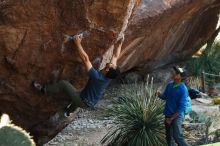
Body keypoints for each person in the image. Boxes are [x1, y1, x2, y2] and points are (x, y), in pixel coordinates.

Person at [32, 34, 124, 117]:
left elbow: (85, 59)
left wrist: (77, 43)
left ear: (107, 69)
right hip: (90, 101)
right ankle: (68, 112)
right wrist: (120, 42)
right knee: (80, 94)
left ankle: (44, 89)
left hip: (84, 102)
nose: (113, 63)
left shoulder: (97, 77)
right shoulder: (110, 74)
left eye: (113, 65)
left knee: (64, 84)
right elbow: (115, 56)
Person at [156, 66, 189, 146]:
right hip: (168, 114)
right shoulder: (170, 85)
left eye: (177, 73)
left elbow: (182, 107)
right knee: (169, 137)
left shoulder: (183, 89)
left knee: (177, 136)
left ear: (181, 77)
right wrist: (159, 94)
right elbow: (165, 96)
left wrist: (171, 118)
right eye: (175, 72)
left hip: (176, 116)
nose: (174, 73)